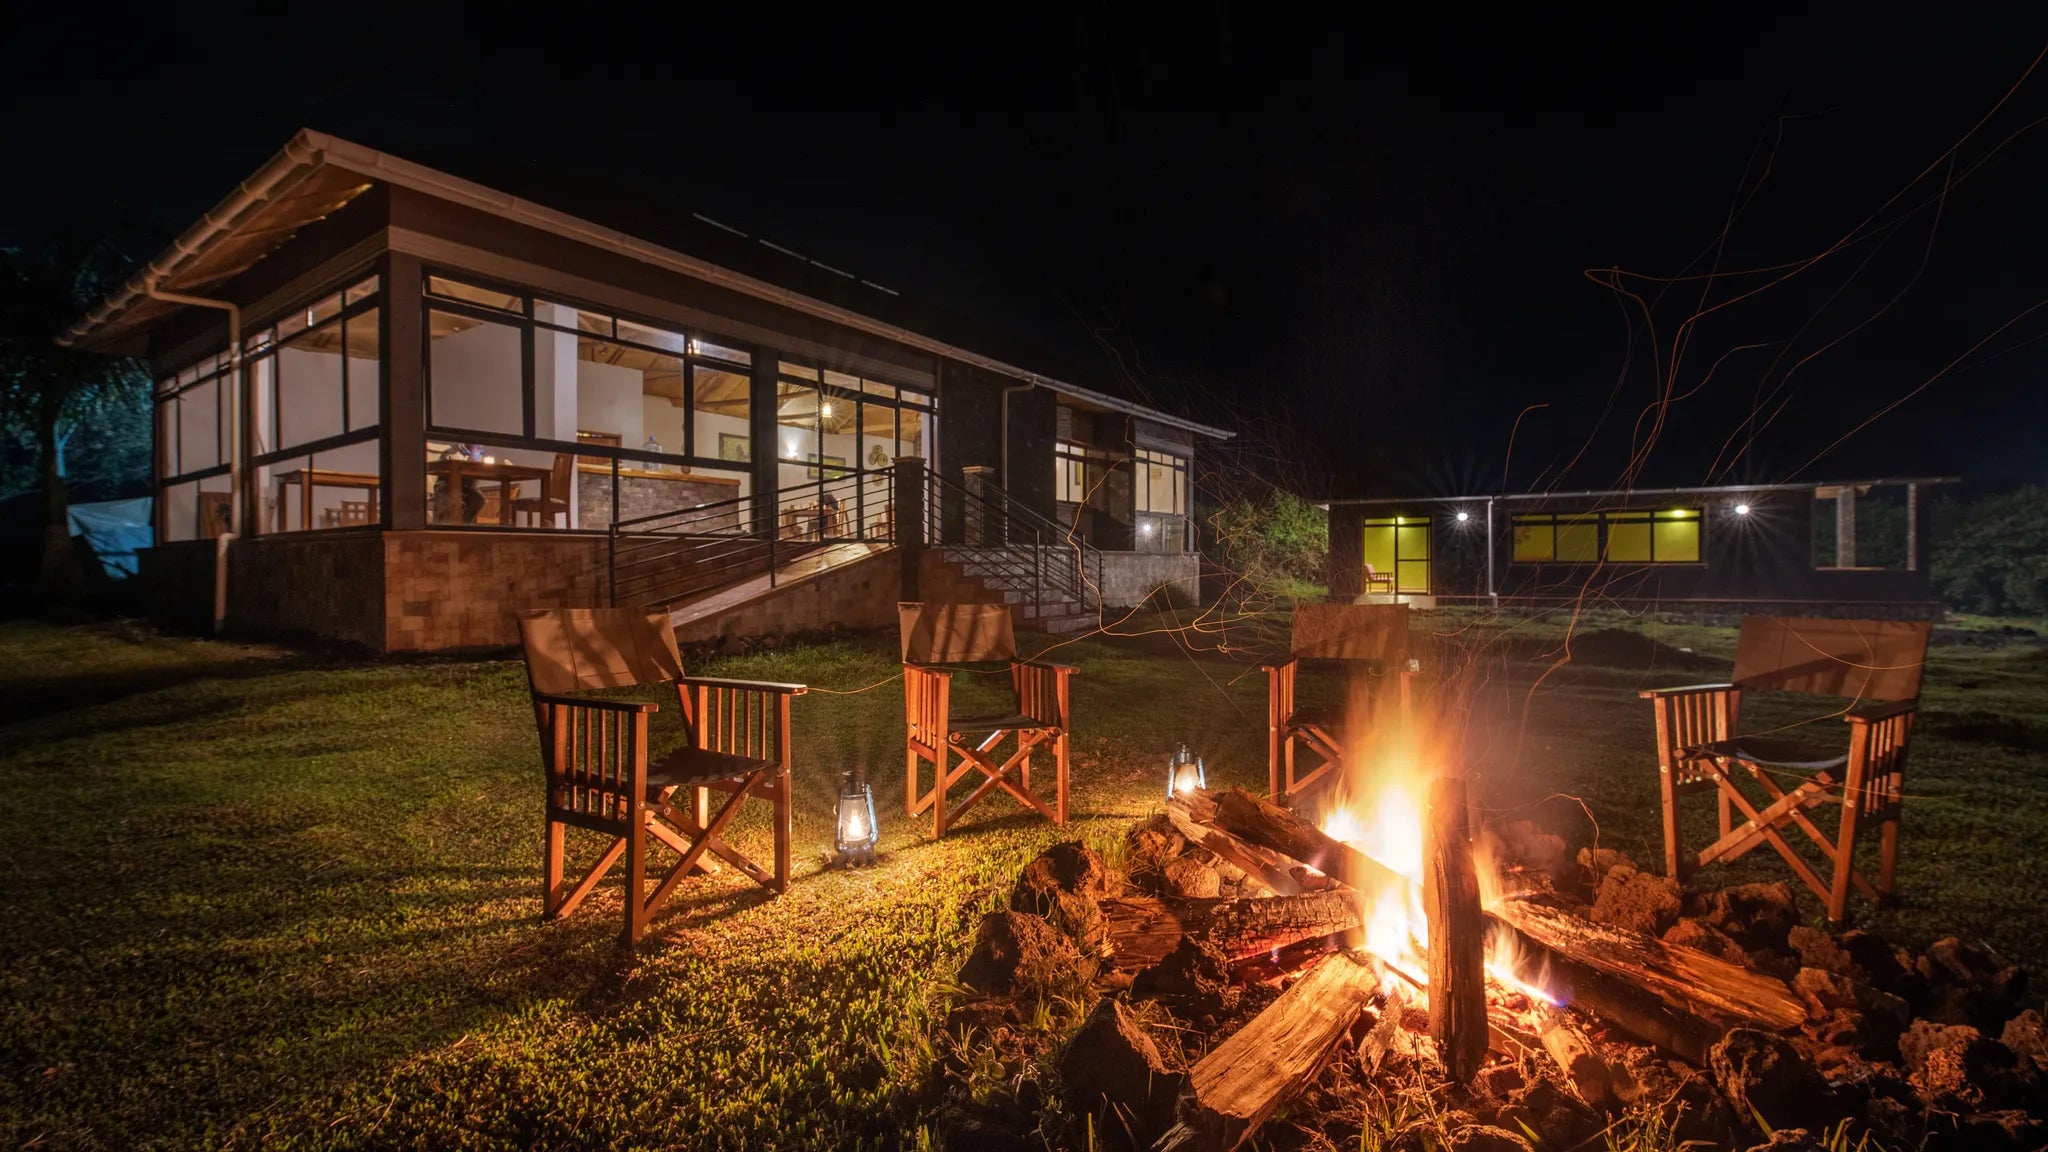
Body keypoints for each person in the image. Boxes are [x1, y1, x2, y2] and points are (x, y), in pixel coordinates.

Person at [431, 442, 486, 524]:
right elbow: (442, 471)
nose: (479, 446)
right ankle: (443, 526)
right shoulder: (451, 452)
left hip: (468, 487)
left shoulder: (478, 454)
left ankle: (464, 524)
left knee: (478, 500)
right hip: (446, 485)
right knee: (450, 498)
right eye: (477, 445)